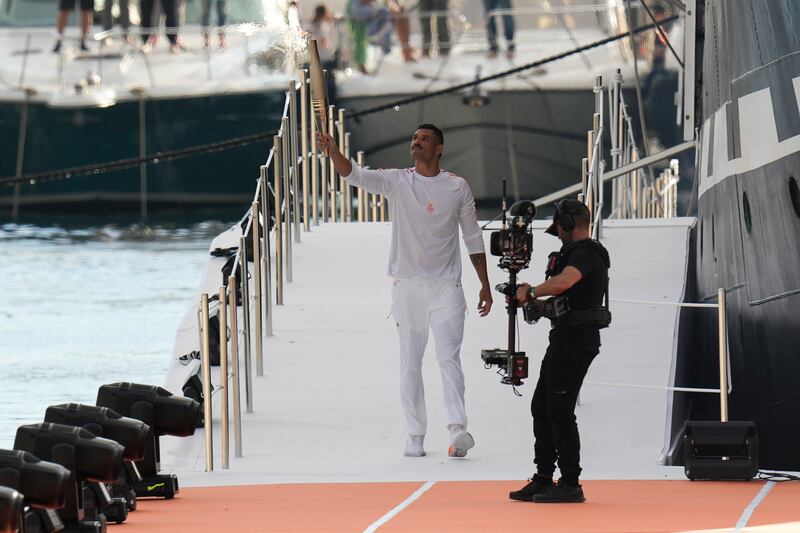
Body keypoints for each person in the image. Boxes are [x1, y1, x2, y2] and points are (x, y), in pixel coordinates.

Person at [316, 124, 493, 458]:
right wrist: (333, 151)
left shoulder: (457, 187)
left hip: (447, 287)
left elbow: (472, 238)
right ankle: (415, 434)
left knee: (448, 357)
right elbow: (355, 175)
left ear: (439, 148)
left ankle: (458, 431)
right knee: (410, 362)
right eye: (414, 138)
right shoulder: (398, 181)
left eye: (424, 139)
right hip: (407, 286)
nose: (416, 142)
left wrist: (484, 284)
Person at [508, 199, 610, 503]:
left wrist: (533, 291)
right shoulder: (574, 253)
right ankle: (543, 477)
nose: (560, 235)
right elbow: (566, 294)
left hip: (577, 340)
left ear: (567, 224)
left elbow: (566, 281)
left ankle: (570, 483)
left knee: (559, 411)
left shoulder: (587, 253)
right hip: (564, 337)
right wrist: (536, 304)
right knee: (541, 406)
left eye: (560, 229)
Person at [348, 0, 416, 68]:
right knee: (395, 13)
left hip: (379, 37)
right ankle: (406, 51)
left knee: (401, 12)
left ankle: (406, 50)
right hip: (370, 36)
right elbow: (358, 13)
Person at [309, 3, 338, 101]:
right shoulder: (322, 25)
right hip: (326, 59)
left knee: (320, 86)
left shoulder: (312, 25)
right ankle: (331, 107)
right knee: (329, 86)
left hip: (317, 59)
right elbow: (324, 42)